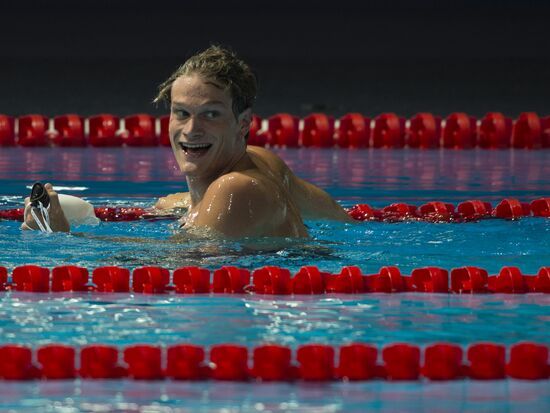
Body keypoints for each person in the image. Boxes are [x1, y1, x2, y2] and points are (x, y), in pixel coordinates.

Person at [22, 45, 352, 237]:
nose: (191, 130)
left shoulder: (235, 189)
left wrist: (61, 238)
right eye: (181, 113)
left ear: (243, 123)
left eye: (211, 114)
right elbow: (341, 220)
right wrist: (183, 202)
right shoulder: (261, 161)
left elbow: (173, 264)